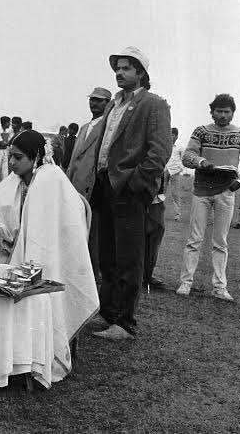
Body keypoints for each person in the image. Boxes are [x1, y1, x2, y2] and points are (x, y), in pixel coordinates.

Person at [0, 130, 98, 379]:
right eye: (10, 156)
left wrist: (16, 245)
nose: (11, 163)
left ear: (37, 157)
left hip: (46, 260)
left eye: (18, 158)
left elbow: (45, 236)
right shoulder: (14, 180)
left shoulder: (50, 180)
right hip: (12, 252)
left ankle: (26, 352)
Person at [90, 46, 171, 340]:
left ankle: (125, 323)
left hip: (128, 189)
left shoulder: (154, 104)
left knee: (129, 257)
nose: (119, 73)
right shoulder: (114, 104)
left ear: (141, 73)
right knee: (107, 255)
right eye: (117, 68)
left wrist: (136, 183)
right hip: (104, 187)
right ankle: (108, 313)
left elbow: (160, 150)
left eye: (126, 68)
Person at [177, 94, 240, 301]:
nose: (222, 115)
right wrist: (201, 162)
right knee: (195, 239)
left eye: (227, 111)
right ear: (212, 112)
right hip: (201, 189)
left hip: (226, 190)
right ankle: (186, 282)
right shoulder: (201, 131)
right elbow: (187, 156)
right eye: (219, 111)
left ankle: (219, 287)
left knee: (221, 241)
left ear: (232, 113)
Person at [66, 86, 111, 280]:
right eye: (92, 99)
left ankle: (93, 279)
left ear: (108, 103)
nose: (94, 103)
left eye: (99, 100)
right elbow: (74, 161)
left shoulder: (107, 127)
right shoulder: (85, 127)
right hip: (75, 188)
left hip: (93, 190)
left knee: (93, 238)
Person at [143, 178, 167, 291]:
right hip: (140, 198)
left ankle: (147, 275)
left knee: (154, 239)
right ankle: (140, 276)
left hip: (157, 201)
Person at [164, 127, 184, 221]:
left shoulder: (180, 148)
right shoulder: (165, 146)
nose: (171, 136)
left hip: (175, 172)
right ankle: (159, 213)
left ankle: (177, 215)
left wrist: (179, 169)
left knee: (175, 194)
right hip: (164, 172)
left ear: (176, 136)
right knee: (161, 192)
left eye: (173, 135)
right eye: (169, 134)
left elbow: (184, 161)